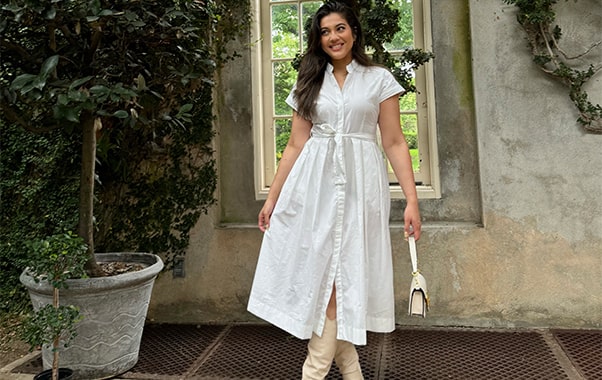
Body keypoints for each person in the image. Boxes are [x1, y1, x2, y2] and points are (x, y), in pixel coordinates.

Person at [248, 2, 421, 379]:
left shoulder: (378, 79)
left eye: (339, 28)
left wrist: (411, 199)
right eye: (325, 32)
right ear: (318, 39)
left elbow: (393, 141)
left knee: (342, 280)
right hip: (313, 190)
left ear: (353, 32)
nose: (333, 37)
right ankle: (347, 370)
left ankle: (318, 370)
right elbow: (294, 145)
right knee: (326, 281)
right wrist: (273, 198)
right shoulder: (309, 81)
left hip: (361, 190)